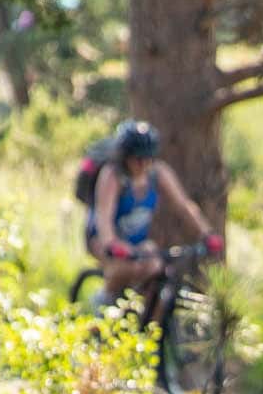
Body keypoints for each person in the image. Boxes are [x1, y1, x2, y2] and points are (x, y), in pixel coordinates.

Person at [86, 121, 220, 310]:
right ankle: (102, 303)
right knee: (124, 268)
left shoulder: (158, 173)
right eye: (137, 159)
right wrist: (112, 244)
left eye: (148, 158)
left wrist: (206, 234)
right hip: (104, 239)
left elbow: (184, 206)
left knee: (155, 267)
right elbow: (103, 216)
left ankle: (149, 322)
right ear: (126, 157)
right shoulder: (112, 175)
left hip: (137, 241)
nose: (143, 164)